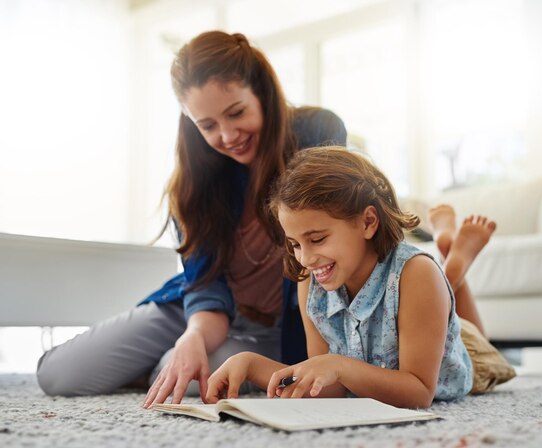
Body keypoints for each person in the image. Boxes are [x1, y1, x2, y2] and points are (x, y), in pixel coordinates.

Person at [36, 31, 347, 407]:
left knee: (188, 379)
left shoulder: (317, 132)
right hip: (200, 312)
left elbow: (327, 233)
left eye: (236, 113)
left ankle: (156, 363)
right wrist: (193, 337)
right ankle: (168, 352)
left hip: (274, 326)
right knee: (57, 374)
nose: (228, 135)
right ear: (190, 121)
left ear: (262, 94)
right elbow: (205, 286)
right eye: (208, 125)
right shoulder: (194, 185)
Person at [205, 146, 514, 408]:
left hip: (451, 354)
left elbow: (420, 391)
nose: (305, 258)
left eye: (317, 238)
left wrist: (339, 366)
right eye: (295, 244)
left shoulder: (416, 275)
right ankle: (450, 259)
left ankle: (455, 263)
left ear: (367, 222)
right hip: (424, 313)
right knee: (438, 298)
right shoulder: (309, 282)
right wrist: (251, 364)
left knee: (483, 351)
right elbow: (328, 387)